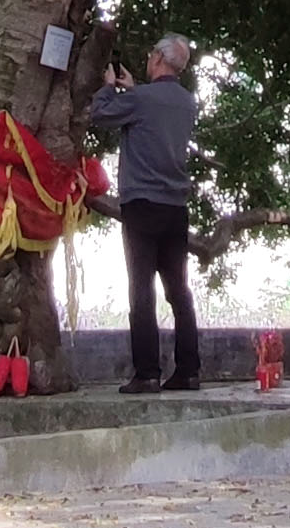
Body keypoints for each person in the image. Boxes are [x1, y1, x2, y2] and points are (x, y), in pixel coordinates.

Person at [85, 36, 206, 391]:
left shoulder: (140, 100)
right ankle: (188, 369)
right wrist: (134, 91)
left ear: (157, 58)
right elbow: (155, 114)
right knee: (178, 290)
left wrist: (109, 88)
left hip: (141, 204)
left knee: (141, 289)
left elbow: (100, 115)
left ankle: (148, 372)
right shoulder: (186, 102)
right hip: (176, 206)